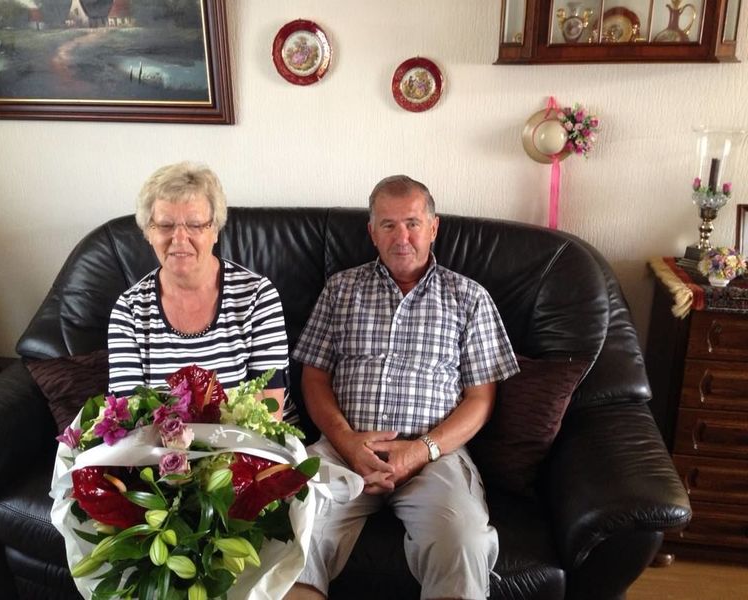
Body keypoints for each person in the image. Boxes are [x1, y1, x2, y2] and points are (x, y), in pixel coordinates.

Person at [287, 175, 519, 599]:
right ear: (371, 232)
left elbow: (481, 399)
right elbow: (314, 377)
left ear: (433, 227)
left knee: (462, 537)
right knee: (290, 528)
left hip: (434, 455)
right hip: (343, 450)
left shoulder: (469, 297)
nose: (402, 237)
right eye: (388, 225)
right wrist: (346, 441)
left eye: (412, 223)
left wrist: (420, 450)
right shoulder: (340, 290)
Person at [107, 161, 292, 420]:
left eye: (195, 225)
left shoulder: (257, 296)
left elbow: (268, 413)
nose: (179, 238)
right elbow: (129, 419)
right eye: (165, 225)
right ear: (148, 232)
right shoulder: (129, 311)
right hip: (159, 444)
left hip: (250, 441)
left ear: (214, 230)